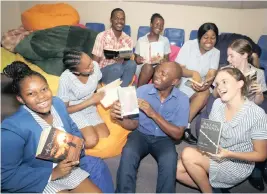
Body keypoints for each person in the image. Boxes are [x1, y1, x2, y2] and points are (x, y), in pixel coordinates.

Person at [1, 61, 114, 193]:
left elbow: (74, 131)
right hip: (37, 178)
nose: (41, 97)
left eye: (44, 89)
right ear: (20, 99)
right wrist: (53, 173)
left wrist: (76, 149)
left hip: (67, 169)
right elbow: (4, 177)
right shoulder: (12, 128)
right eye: (31, 94)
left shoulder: (58, 104)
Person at [176, 67, 267, 193]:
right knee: (177, 170)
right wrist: (205, 146)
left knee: (187, 154)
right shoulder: (218, 104)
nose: (219, 87)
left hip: (237, 163)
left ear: (240, 84)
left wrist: (228, 154)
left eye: (225, 82)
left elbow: (261, 155)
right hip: (217, 153)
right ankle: (213, 190)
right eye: (217, 84)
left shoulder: (257, 114)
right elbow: (210, 138)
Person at [111, 61, 190, 193]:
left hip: (164, 139)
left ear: (174, 81)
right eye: (158, 71)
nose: (157, 75)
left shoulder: (182, 99)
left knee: (169, 160)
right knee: (129, 152)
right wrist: (118, 118)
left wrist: (153, 113)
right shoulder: (142, 91)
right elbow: (133, 124)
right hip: (140, 134)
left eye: (163, 74)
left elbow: (178, 134)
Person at [175, 22, 220, 145]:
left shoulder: (216, 52)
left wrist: (207, 82)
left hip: (200, 87)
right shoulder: (189, 45)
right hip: (183, 83)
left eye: (213, 37)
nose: (209, 41)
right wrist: (193, 73)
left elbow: (211, 73)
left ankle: (183, 126)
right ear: (200, 37)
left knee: (205, 92)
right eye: (206, 37)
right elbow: (179, 69)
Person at [57, 50, 110, 149]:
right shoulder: (66, 78)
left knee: (104, 136)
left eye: (90, 61)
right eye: (87, 67)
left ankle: (81, 133)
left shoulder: (95, 65)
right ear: (76, 71)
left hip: (91, 108)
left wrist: (104, 92)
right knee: (91, 141)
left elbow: (97, 83)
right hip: (74, 111)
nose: (92, 66)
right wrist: (90, 101)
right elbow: (64, 110)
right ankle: (66, 146)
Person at [92, 8, 136, 87]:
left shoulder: (128, 39)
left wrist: (121, 59)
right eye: (117, 18)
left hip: (120, 70)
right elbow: (95, 62)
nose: (120, 21)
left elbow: (127, 62)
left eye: (122, 19)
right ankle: (111, 91)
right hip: (103, 72)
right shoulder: (102, 36)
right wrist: (95, 81)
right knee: (117, 67)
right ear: (111, 20)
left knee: (132, 64)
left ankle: (122, 89)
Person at [134, 13, 171, 87]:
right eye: (157, 24)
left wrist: (164, 61)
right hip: (143, 67)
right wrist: (138, 59)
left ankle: (154, 94)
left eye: (161, 25)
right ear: (151, 24)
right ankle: (139, 91)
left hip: (158, 67)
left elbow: (167, 59)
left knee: (159, 69)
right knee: (148, 67)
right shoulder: (141, 40)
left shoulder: (165, 40)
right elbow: (136, 59)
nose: (159, 27)